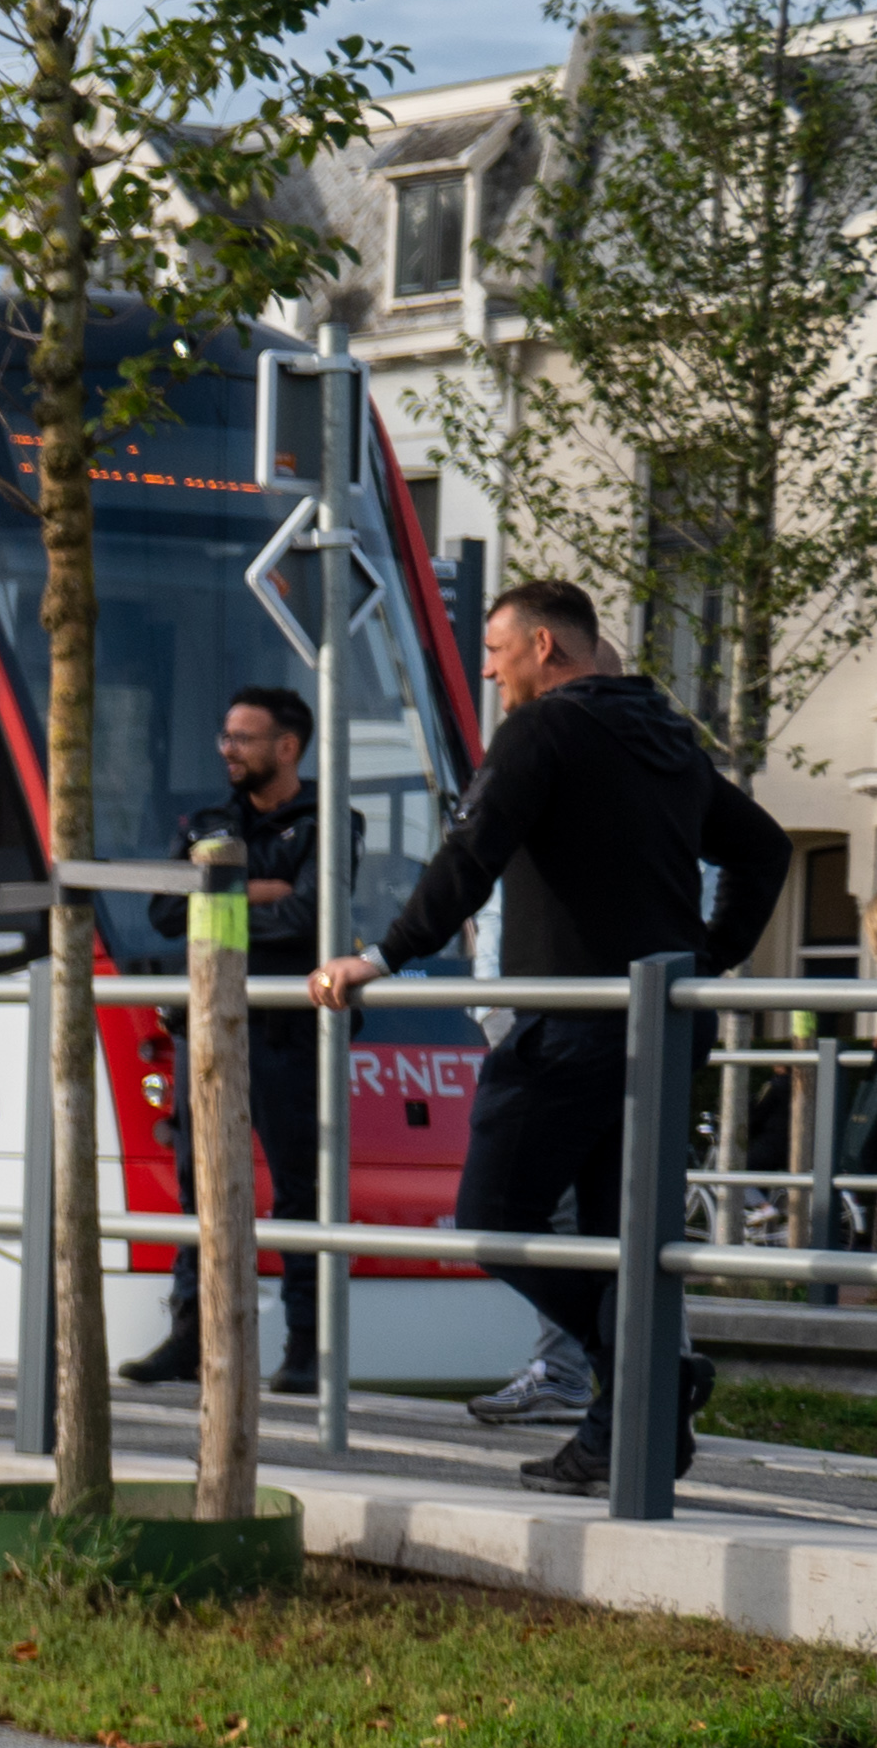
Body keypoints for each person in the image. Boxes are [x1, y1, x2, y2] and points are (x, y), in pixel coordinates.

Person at [308, 580, 788, 1493]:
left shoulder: (543, 731)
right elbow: (762, 850)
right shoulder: (665, 741)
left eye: (494, 653)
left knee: (494, 1219)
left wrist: (383, 954)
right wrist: (703, 959)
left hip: (569, 1028)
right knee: (620, 1237)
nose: (487, 672)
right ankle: (622, 1433)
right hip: (659, 1025)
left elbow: (472, 848)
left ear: (542, 647)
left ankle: (655, 1371)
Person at [129, 683, 324, 1397]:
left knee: (298, 1190)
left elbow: (309, 916)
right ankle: (191, 1335)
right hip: (204, 1028)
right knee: (196, 1187)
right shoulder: (207, 820)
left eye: (242, 738)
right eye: (224, 737)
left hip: (284, 1028)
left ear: (286, 747)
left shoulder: (325, 822)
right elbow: (161, 912)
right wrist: (253, 892)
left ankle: (304, 1348)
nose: (227, 750)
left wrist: (214, 896)